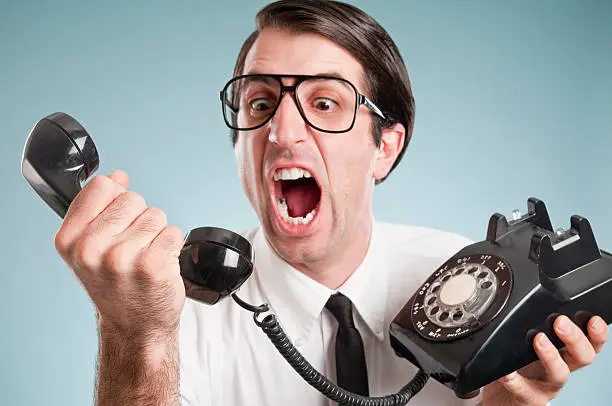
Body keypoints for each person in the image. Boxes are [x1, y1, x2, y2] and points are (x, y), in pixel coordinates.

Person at [52, 1, 609, 405]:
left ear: (384, 148)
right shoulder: (172, 314)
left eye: (324, 102)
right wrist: (137, 337)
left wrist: (510, 404)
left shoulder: (458, 271)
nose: (282, 130)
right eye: (261, 101)